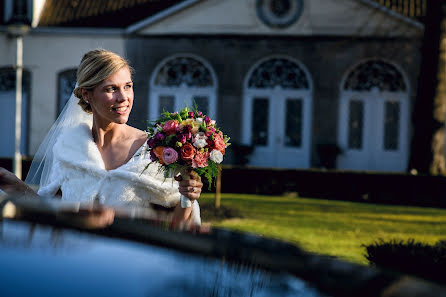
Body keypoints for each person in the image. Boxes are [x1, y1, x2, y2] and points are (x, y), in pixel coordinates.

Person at [0, 49, 202, 227]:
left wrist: (188, 198)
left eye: (128, 86)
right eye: (111, 89)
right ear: (86, 94)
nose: (123, 97)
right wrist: (15, 186)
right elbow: (50, 214)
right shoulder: (69, 149)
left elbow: (177, 227)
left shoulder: (153, 152)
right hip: (76, 261)